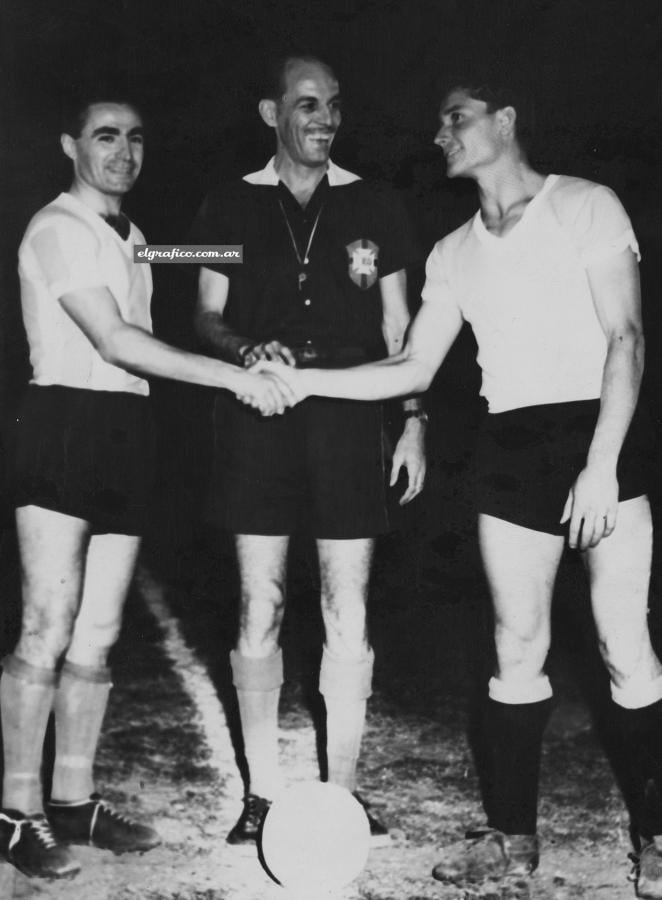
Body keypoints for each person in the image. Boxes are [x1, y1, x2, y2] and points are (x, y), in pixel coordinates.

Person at [258, 79, 662, 897]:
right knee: (516, 649)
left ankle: (657, 836)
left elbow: (626, 336)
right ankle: (512, 838)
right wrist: (307, 383)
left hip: (598, 438)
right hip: (508, 450)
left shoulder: (586, 205)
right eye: (439, 121)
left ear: (506, 120)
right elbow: (411, 365)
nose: (441, 131)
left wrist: (601, 465)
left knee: (626, 647)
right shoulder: (451, 252)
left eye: (458, 117)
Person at [0, 96, 293, 881]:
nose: (123, 151)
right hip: (63, 422)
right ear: (70, 145)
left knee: (98, 631)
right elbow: (119, 341)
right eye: (105, 137)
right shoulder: (56, 229)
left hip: (127, 431)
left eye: (135, 136)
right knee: (48, 622)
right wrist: (238, 377)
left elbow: (209, 258)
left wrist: (265, 237)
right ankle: (16, 811)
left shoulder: (129, 237)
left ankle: (73, 801)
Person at [189, 54, 426, 846]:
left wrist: (414, 417)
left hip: (351, 426)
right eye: (307, 104)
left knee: (346, 608)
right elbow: (203, 316)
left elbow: (400, 330)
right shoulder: (225, 204)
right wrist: (249, 351)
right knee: (262, 604)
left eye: (333, 106)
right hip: (257, 421)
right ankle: (260, 794)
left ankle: (345, 793)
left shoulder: (379, 202)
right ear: (270, 112)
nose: (324, 119)